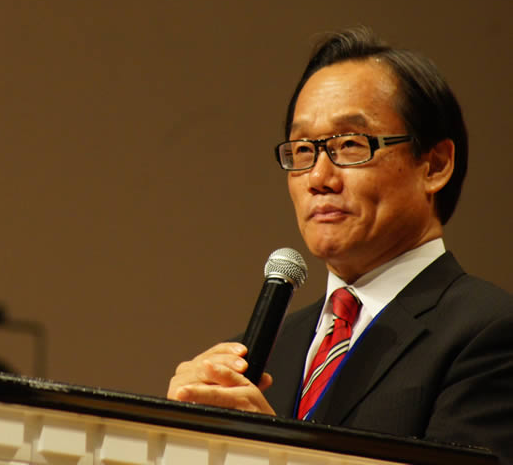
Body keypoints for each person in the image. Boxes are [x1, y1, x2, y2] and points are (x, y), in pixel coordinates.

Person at [167, 27, 513, 462]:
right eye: (303, 150)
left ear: (434, 166)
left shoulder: (489, 332)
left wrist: (268, 451)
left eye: (350, 144)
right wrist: (175, 439)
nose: (318, 178)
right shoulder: (263, 355)